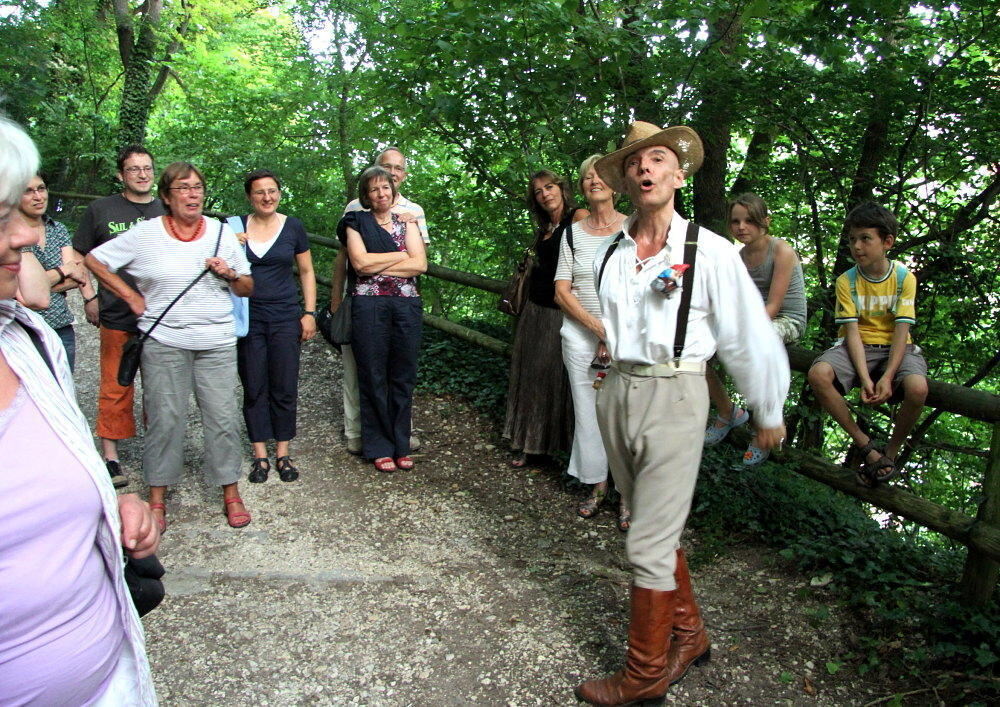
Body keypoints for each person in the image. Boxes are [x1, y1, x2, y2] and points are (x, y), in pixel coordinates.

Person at [574, 122, 790, 705]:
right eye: (636, 162)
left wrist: (767, 406)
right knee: (648, 519)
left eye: (658, 159)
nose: (645, 169)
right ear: (626, 178)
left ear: (678, 172)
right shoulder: (613, 250)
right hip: (618, 390)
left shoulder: (710, 251)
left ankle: (645, 673)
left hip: (675, 394)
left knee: (644, 539)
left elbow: (746, 333)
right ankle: (689, 635)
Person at [0, 116, 159, 706]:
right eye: (3, 218)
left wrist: (101, 502)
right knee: (116, 391)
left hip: (112, 679)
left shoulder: (26, 340)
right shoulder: (101, 213)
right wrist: (104, 295)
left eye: (26, 210)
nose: (25, 236)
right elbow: (80, 265)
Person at [85, 161, 254, 531]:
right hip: (164, 342)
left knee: (223, 419)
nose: (193, 194)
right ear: (166, 196)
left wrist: (229, 273)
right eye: (183, 188)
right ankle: (157, 498)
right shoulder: (145, 234)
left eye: (197, 188)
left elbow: (246, 287)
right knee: (165, 420)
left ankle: (230, 491)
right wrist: (129, 295)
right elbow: (94, 260)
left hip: (217, 341)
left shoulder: (221, 233)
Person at [807, 202, 928, 486]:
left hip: (896, 348)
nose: (857, 246)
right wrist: (865, 378)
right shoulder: (846, 281)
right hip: (857, 346)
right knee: (818, 374)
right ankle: (865, 445)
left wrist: (887, 376)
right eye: (852, 239)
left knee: (918, 388)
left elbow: (902, 330)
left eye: (865, 239)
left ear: (887, 242)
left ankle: (891, 452)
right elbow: (851, 332)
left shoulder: (903, 278)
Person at [74, 144, 165, 488]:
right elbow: (79, 256)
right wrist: (88, 296)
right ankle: (111, 457)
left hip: (159, 316)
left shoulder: (166, 209)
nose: (142, 174)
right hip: (116, 313)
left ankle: (157, 451)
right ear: (120, 175)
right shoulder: (101, 209)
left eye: (147, 168)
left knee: (159, 389)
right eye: (134, 169)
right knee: (115, 385)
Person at [333, 146, 430, 455]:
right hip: (367, 305)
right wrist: (400, 255)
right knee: (370, 373)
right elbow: (356, 264)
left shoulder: (411, 215)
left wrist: (378, 261)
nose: (381, 191)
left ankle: (401, 443)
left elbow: (420, 265)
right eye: (374, 187)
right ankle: (371, 444)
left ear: (397, 180)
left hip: (404, 305)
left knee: (402, 375)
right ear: (366, 192)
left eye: (386, 184)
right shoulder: (355, 217)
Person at [553, 154, 631, 528]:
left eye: (600, 175)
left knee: (624, 414)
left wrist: (613, 331)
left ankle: (629, 493)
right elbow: (562, 290)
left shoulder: (633, 229)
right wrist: (596, 328)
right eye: (586, 177)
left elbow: (639, 288)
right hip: (580, 337)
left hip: (627, 337)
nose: (593, 180)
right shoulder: (572, 234)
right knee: (588, 413)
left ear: (616, 184)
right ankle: (598, 485)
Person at [703, 193, 806, 465]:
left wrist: (742, 330)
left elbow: (773, 305)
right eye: (735, 221)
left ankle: (765, 429)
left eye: (749, 220)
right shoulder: (736, 257)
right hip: (751, 321)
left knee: (760, 344)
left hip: (785, 319)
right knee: (697, 345)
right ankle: (727, 411)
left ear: (765, 222)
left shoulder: (781, 251)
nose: (741, 227)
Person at [233, 169, 317, 483]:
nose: (267, 197)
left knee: (284, 384)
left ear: (279, 193)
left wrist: (309, 312)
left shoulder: (293, 226)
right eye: (259, 192)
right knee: (254, 385)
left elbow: (307, 271)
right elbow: (215, 266)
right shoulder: (234, 227)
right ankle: (260, 456)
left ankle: (283, 452)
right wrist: (230, 245)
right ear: (249, 196)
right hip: (248, 317)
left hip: (284, 316)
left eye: (272, 191)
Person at [504, 169, 587, 468]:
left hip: (559, 312)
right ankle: (528, 442)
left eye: (549, 187)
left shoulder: (578, 217)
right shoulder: (544, 227)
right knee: (530, 376)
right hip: (533, 309)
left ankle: (555, 446)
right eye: (538, 192)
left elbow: (590, 259)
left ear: (562, 189)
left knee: (552, 377)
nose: (545, 194)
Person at [18, 173, 97, 370]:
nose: (38, 196)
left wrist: (32, 287)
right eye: (29, 191)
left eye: (41, 188)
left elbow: (76, 276)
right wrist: (63, 269)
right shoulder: (11, 234)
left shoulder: (58, 229)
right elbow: (12, 288)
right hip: (23, 329)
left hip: (60, 326)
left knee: (63, 392)